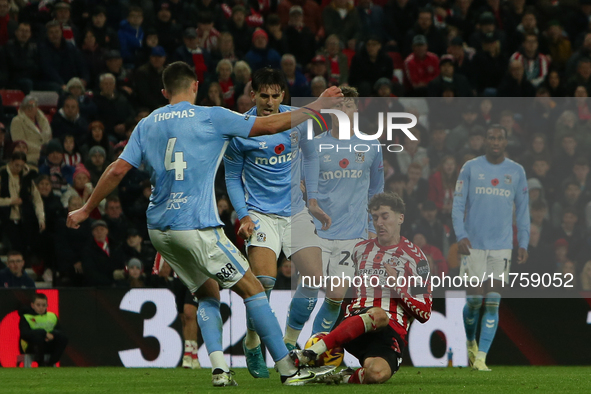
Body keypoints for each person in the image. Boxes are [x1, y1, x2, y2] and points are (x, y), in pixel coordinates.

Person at [67, 61, 342, 386]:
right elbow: (268, 127)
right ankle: (288, 370)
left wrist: (86, 209)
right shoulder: (211, 116)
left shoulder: (147, 123)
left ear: (164, 92)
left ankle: (219, 369)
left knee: (208, 294)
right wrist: (317, 106)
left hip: (159, 230)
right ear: (196, 86)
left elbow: (115, 170)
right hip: (197, 225)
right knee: (255, 287)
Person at [223, 67, 331, 378]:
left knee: (313, 279)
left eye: (275, 95)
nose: (269, 102)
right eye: (263, 95)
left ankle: (287, 344)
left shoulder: (296, 120)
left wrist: (311, 199)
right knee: (264, 284)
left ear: (282, 94)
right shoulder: (241, 128)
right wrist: (243, 214)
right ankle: (253, 340)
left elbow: (311, 156)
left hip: (295, 211)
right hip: (259, 214)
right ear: (252, 94)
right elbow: (231, 176)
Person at [292, 192, 432, 385]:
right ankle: (309, 353)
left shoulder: (417, 259)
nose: (379, 223)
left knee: (376, 374)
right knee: (379, 314)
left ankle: (339, 377)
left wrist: (397, 288)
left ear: (400, 218)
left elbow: (424, 312)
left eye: (385, 216)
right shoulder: (359, 250)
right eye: (375, 218)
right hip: (357, 323)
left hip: (391, 332)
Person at [452, 124, 530, 371]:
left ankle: (482, 357)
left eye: (500, 138)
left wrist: (523, 242)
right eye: (491, 137)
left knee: (494, 300)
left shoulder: (516, 171)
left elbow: (524, 211)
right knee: (475, 300)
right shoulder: (470, 168)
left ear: (506, 142)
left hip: (502, 247)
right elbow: (457, 205)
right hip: (474, 246)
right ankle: (470, 340)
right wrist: (461, 234)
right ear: (485, 140)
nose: (495, 141)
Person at [309, 86, 384, 337]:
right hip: (316, 232)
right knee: (307, 291)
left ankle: (312, 350)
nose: (343, 109)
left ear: (357, 109)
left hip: (353, 234)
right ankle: (288, 342)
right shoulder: (315, 145)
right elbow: (301, 186)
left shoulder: (371, 145)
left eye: (348, 104)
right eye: (338, 104)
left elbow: (376, 190)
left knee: (336, 296)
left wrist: (373, 228)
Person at [19, 293, 68, 366]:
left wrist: (53, 335)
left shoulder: (52, 316)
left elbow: (60, 331)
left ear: (47, 306)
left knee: (63, 338)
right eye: (38, 305)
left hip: (49, 343)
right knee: (38, 339)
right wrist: (43, 333)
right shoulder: (26, 317)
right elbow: (24, 333)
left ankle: (51, 362)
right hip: (31, 345)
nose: (41, 308)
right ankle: (41, 363)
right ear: (32, 305)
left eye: (43, 305)